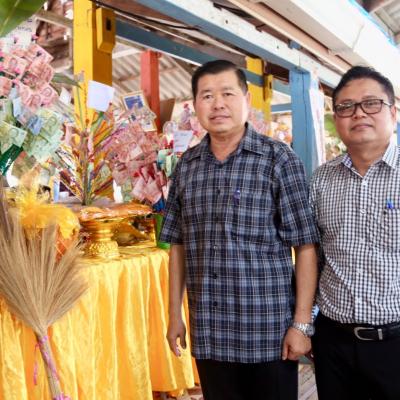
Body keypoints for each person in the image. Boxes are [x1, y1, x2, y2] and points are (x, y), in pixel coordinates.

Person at [160, 59, 319, 400]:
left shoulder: (278, 159)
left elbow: (305, 245)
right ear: (195, 105)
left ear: (247, 100)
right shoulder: (187, 166)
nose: (217, 104)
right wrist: (174, 315)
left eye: (227, 94)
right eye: (207, 96)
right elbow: (178, 245)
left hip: (268, 333)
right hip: (210, 331)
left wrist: (301, 323)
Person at [310, 65, 400, 400]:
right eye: (346, 107)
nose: (358, 113)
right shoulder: (321, 180)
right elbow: (313, 257)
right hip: (334, 343)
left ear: (393, 112)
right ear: (336, 118)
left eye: (371, 103)